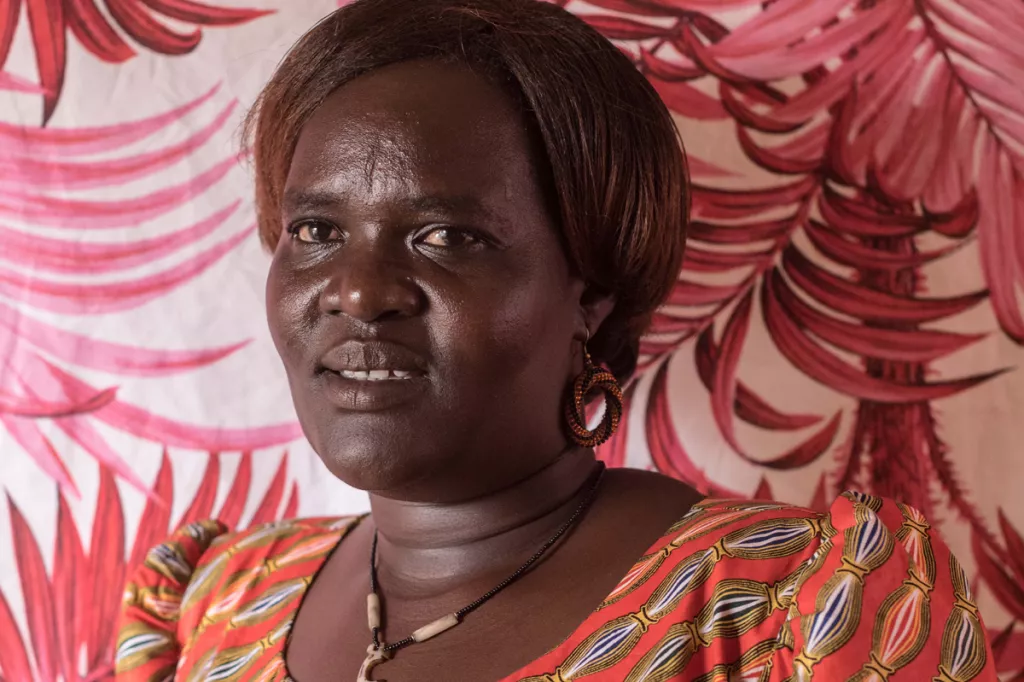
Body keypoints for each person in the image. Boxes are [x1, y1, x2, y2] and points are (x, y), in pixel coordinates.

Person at [114, 0, 997, 680]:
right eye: (313, 231)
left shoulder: (787, 608)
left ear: (592, 296)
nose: (357, 291)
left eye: (447, 236)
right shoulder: (215, 599)